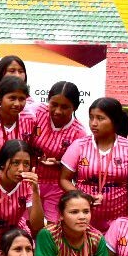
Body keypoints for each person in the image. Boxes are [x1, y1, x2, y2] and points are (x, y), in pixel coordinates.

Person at [59, 96, 128, 233]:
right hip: (83, 220)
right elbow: (64, 179)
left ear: (115, 121)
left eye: (100, 118)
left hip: (119, 221)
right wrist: (82, 196)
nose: (93, 123)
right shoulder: (79, 145)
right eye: (91, 117)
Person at [29, 81, 89, 223]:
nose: (57, 111)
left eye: (65, 107)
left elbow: (76, 171)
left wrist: (60, 163)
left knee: (53, 229)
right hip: (30, 180)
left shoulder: (79, 133)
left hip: (56, 186)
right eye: (54, 104)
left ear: (75, 107)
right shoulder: (36, 112)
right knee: (27, 224)